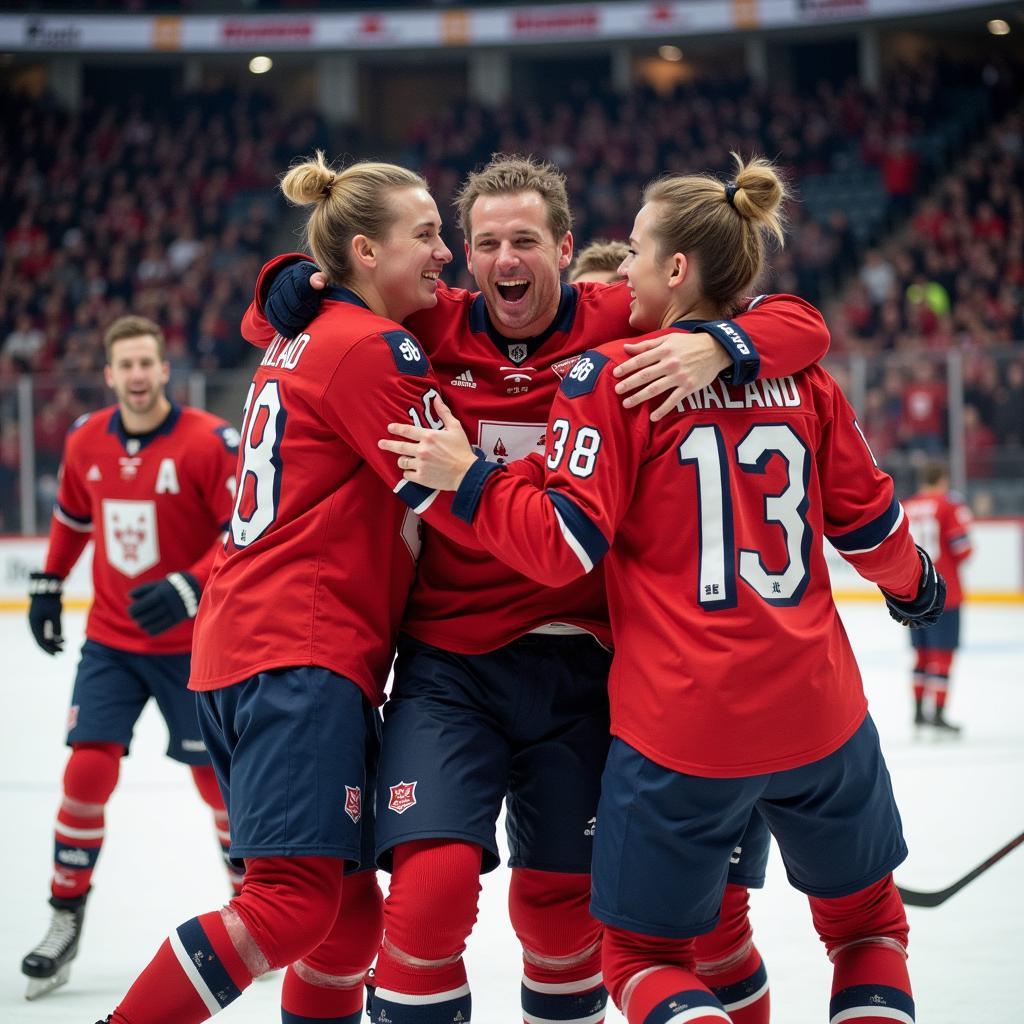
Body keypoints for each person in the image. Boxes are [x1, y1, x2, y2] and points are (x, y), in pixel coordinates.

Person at [251, 154, 831, 1024]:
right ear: (465, 257)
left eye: (525, 240)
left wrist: (721, 342)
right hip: (451, 664)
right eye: (485, 243)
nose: (504, 260)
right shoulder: (430, 322)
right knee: (428, 897)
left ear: (566, 248)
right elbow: (292, 322)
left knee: (561, 920)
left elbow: (800, 324)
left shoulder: (618, 318)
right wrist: (292, 279)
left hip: (585, 668)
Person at [382, 155, 945, 1024]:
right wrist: (917, 589)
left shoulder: (610, 374)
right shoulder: (804, 382)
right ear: (466, 251)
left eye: (633, 252)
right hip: (816, 706)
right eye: (485, 242)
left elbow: (564, 543)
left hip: (677, 717)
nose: (622, 268)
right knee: (868, 927)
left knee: (641, 954)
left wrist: (463, 482)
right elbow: (871, 525)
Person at [96, 155, 478, 1024]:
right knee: (291, 906)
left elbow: (273, 303)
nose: (445, 253)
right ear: (362, 251)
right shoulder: (373, 347)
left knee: (345, 926)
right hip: (297, 655)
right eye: (426, 235)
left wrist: (287, 279)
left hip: (253, 649)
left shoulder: (304, 329)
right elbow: (453, 497)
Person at [22, 314, 242, 1001]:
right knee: (86, 771)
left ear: (164, 368)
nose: (139, 376)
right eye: (127, 366)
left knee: (218, 787)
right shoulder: (86, 439)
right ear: (111, 373)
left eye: (149, 363)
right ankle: (64, 916)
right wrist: (49, 583)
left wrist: (190, 585)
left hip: (193, 648)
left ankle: (255, 908)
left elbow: (242, 531)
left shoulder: (209, 442)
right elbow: (73, 517)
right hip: (112, 644)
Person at [903, 461, 973, 732]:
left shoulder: (907, 506)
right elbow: (962, 549)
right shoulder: (949, 505)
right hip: (946, 593)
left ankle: (919, 712)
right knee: (942, 656)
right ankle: (939, 714)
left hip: (915, 593)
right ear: (942, 479)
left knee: (920, 654)